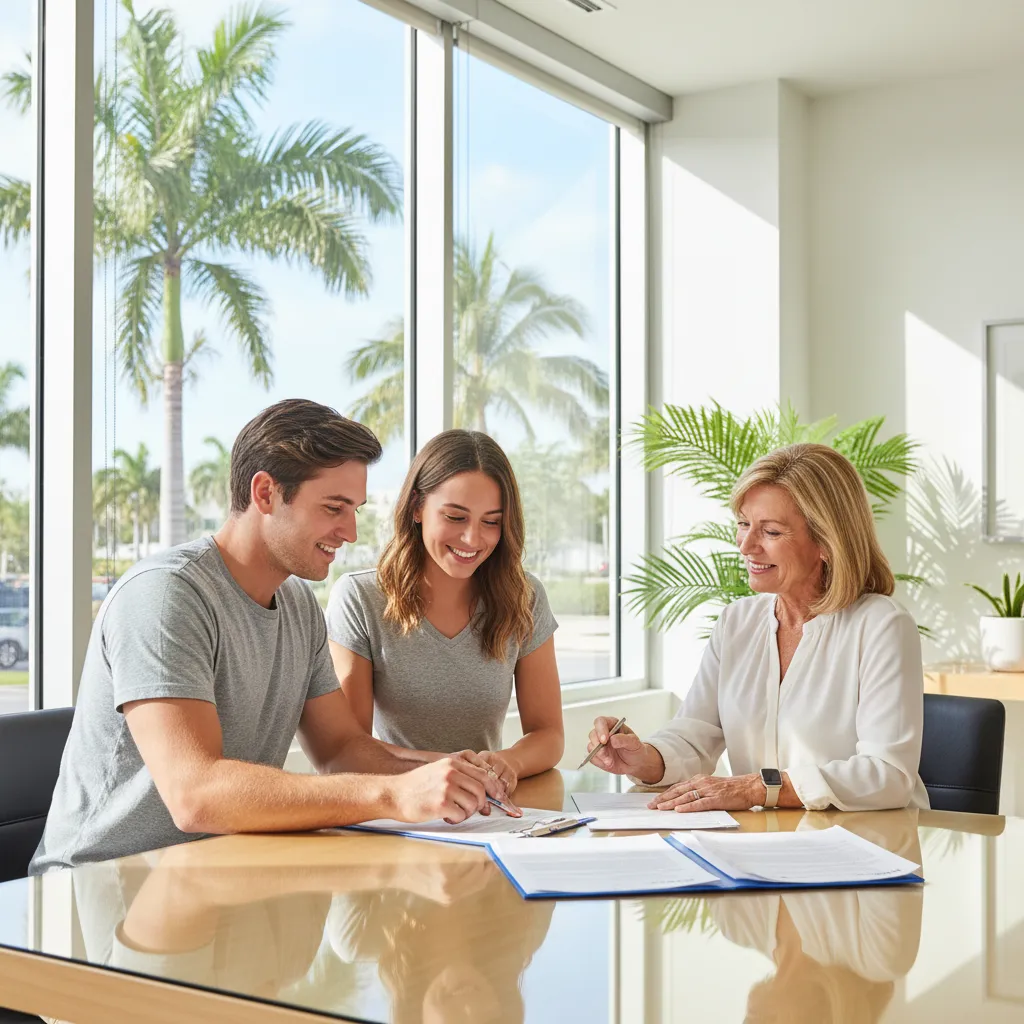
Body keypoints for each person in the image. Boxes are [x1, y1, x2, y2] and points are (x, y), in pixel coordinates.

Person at [31, 400, 508, 874]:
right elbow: (195, 795)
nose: (350, 531)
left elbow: (341, 749)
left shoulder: (299, 606)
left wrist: (445, 772)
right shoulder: (166, 596)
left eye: (355, 510)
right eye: (333, 508)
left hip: (213, 872)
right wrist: (394, 794)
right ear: (265, 493)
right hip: (101, 888)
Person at [586, 442, 929, 813]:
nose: (747, 545)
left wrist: (754, 788)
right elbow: (695, 735)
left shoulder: (882, 625)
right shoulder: (738, 621)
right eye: (744, 524)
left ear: (826, 543)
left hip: (873, 845)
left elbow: (887, 775)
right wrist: (643, 758)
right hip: (769, 842)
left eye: (771, 532)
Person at [326, 429, 564, 795]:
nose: (473, 539)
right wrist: (445, 770)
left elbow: (548, 734)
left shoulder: (525, 596)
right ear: (417, 506)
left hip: (484, 807)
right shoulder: (360, 598)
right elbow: (348, 751)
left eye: (491, 522)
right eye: (455, 517)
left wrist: (509, 762)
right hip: (397, 808)